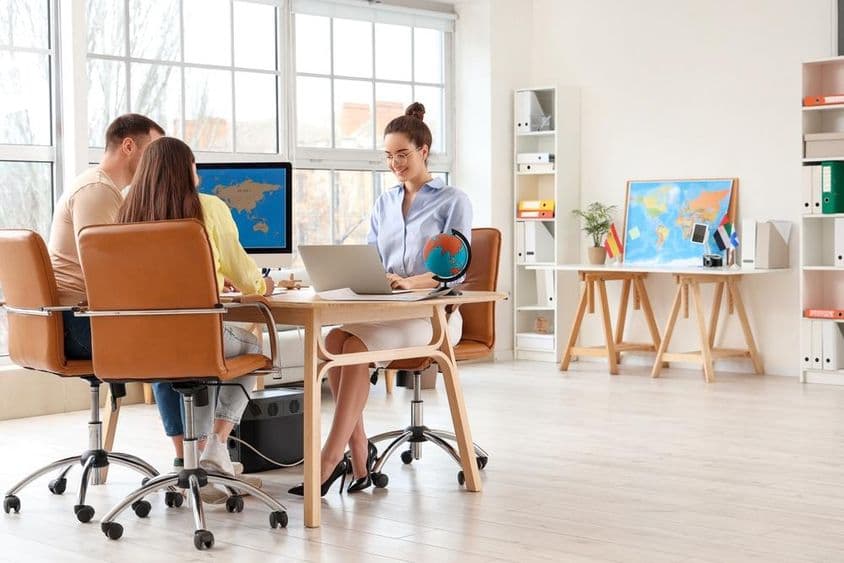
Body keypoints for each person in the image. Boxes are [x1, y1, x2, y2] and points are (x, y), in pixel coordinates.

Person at [288, 102, 472, 496]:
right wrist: (376, 279)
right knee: (333, 341)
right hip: (387, 309)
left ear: (424, 151)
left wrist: (413, 282)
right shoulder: (383, 204)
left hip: (433, 315)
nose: (395, 163)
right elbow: (373, 260)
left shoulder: (452, 200)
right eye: (389, 156)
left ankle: (328, 458)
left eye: (402, 154)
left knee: (353, 344)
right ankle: (358, 450)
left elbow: (455, 269)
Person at [116, 137, 275, 485]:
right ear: (187, 170)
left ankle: (188, 456)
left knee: (173, 359)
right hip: (196, 337)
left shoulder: (127, 215)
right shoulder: (209, 208)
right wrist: (265, 286)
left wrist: (214, 283)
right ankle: (216, 444)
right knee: (251, 348)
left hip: (138, 343)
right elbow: (248, 277)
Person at [48, 113, 165, 359]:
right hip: (80, 324)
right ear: (129, 146)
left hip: (81, 319)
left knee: (181, 333)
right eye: (153, 153)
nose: (157, 163)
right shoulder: (97, 190)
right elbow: (103, 271)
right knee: (187, 339)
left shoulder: (105, 191)